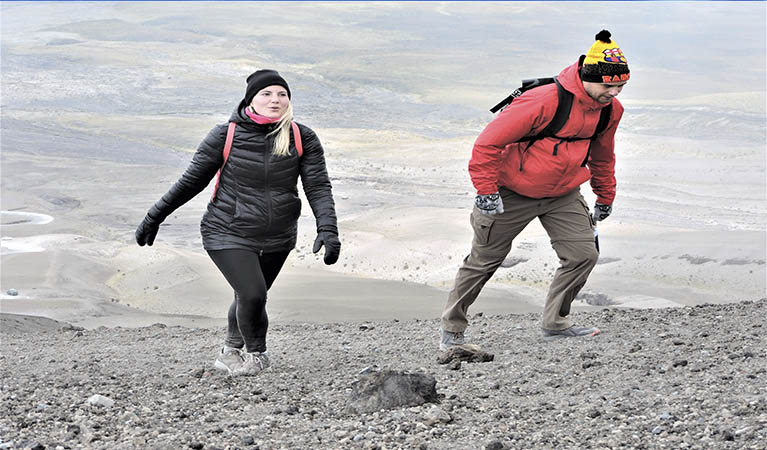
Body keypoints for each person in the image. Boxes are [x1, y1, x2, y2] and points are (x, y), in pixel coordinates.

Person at [135, 69, 341, 375]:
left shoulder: (301, 137)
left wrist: (328, 229)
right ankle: (257, 356)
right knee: (252, 293)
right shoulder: (225, 135)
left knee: (251, 297)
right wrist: (155, 216)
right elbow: (191, 181)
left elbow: (318, 186)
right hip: (226, 230)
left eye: (282, 94)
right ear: (251, 100)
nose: (275, 100)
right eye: (266, 94)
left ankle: (229, 351)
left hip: (278, 235)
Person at [440, 30, 629, 349]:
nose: (613, 92)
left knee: (583, 254)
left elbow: (602, 154)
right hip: (511, 191)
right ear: (587, 76)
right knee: (485, 259)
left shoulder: (610, 110)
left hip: (562, 193)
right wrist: (486, 191)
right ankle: (452, 332)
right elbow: (488, 143)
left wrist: (605, 195)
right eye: (608, 85)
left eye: (620, 86)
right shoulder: (543, 100)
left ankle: (555, 323)